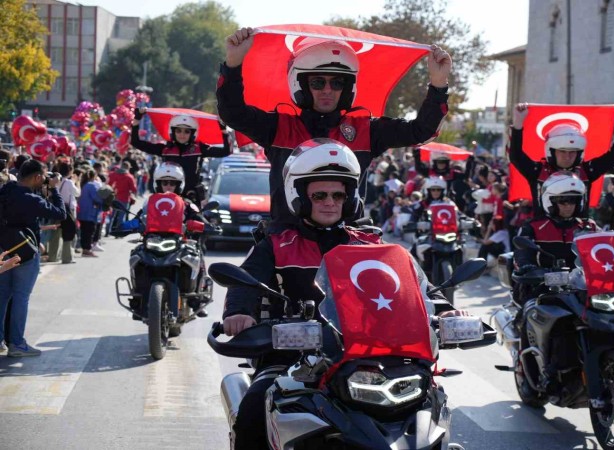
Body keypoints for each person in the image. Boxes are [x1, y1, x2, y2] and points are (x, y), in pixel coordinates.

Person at [221, 139, 460, 449]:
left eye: (338, 195)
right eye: (319, 195)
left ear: (350, 199)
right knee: (254, 407)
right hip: (293, 357)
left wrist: (443, 310)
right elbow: (244, 282)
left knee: (430, 403)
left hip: (369, 358)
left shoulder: (371, 245)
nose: (330, 203)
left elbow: (410, 287)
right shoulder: (276, 244)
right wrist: (239, 313)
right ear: (299, 197)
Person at [217, 27, 452, 232]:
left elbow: (421, 131)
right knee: (247, 272)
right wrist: (233, 64)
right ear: (300, 84)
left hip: (349, 245)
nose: (328, 90)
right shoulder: (279, 127)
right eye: (318, 82)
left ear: (348, 88)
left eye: (338, 82)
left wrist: (438, 84)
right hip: (284, 245)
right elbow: (233, 113)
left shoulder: (366, 129)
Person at [510, 102, 614, 215]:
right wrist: (518, 124)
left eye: (573, 152)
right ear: (551, 151)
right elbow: (516, 156)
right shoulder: (537, 171)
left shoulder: (587, 171)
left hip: (579, 230)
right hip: (543, 230)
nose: (567, 156)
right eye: (562, 151)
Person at [0, 160, 67, 357]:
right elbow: (60, 213)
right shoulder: (31, 199)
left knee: (2, 296)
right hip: (25, 252)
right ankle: (17, 344)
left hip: (3, 248)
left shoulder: (6, 191)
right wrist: (54, 189)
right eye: (43, 176)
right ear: (37, 177)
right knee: (21, 297)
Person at [131, 110, 231, 204]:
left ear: (192, 133)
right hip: (168, 196)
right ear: (173, 132)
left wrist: (223, 130)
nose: (182, 134)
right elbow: (135, 142)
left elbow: (226, 151)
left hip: (191, 198)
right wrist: (137, 120)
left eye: (186, 131)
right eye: (178, 131)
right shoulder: (165, 149)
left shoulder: (199, 149)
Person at [514, 172, 597, 274]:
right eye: (563, 200)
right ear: (550, 201)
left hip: (581, 281)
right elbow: (522, 255)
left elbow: (604, 252)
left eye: (573, 200)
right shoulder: (533, 227)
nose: (568, 206)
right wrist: (527, 267)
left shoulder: (588, 227)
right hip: (543, 281)